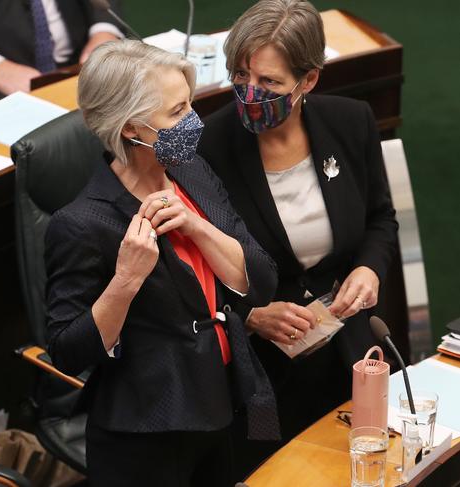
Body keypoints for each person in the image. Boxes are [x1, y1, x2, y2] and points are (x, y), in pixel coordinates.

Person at [45, 40, 280, 486]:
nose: (193, 121)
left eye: (189, 105)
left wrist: (198, 227)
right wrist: (126, 279)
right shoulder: (80, 224)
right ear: (132, 129)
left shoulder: (190, 171)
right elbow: (67, 352)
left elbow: (261, 281)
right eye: (176, 113)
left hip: (229, 399)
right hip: (150, 435)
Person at [197, 0, 399, 476]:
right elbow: (186, 267)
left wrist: (370, 268)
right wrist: (247, 316)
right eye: (241, 76)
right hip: (259, 374)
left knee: (357, 467)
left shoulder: (351, 123)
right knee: (274, 476)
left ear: (308, 80)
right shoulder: (207, 146)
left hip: (348, 348)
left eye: (269, 83)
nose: (250, 93)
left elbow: (380, 219)